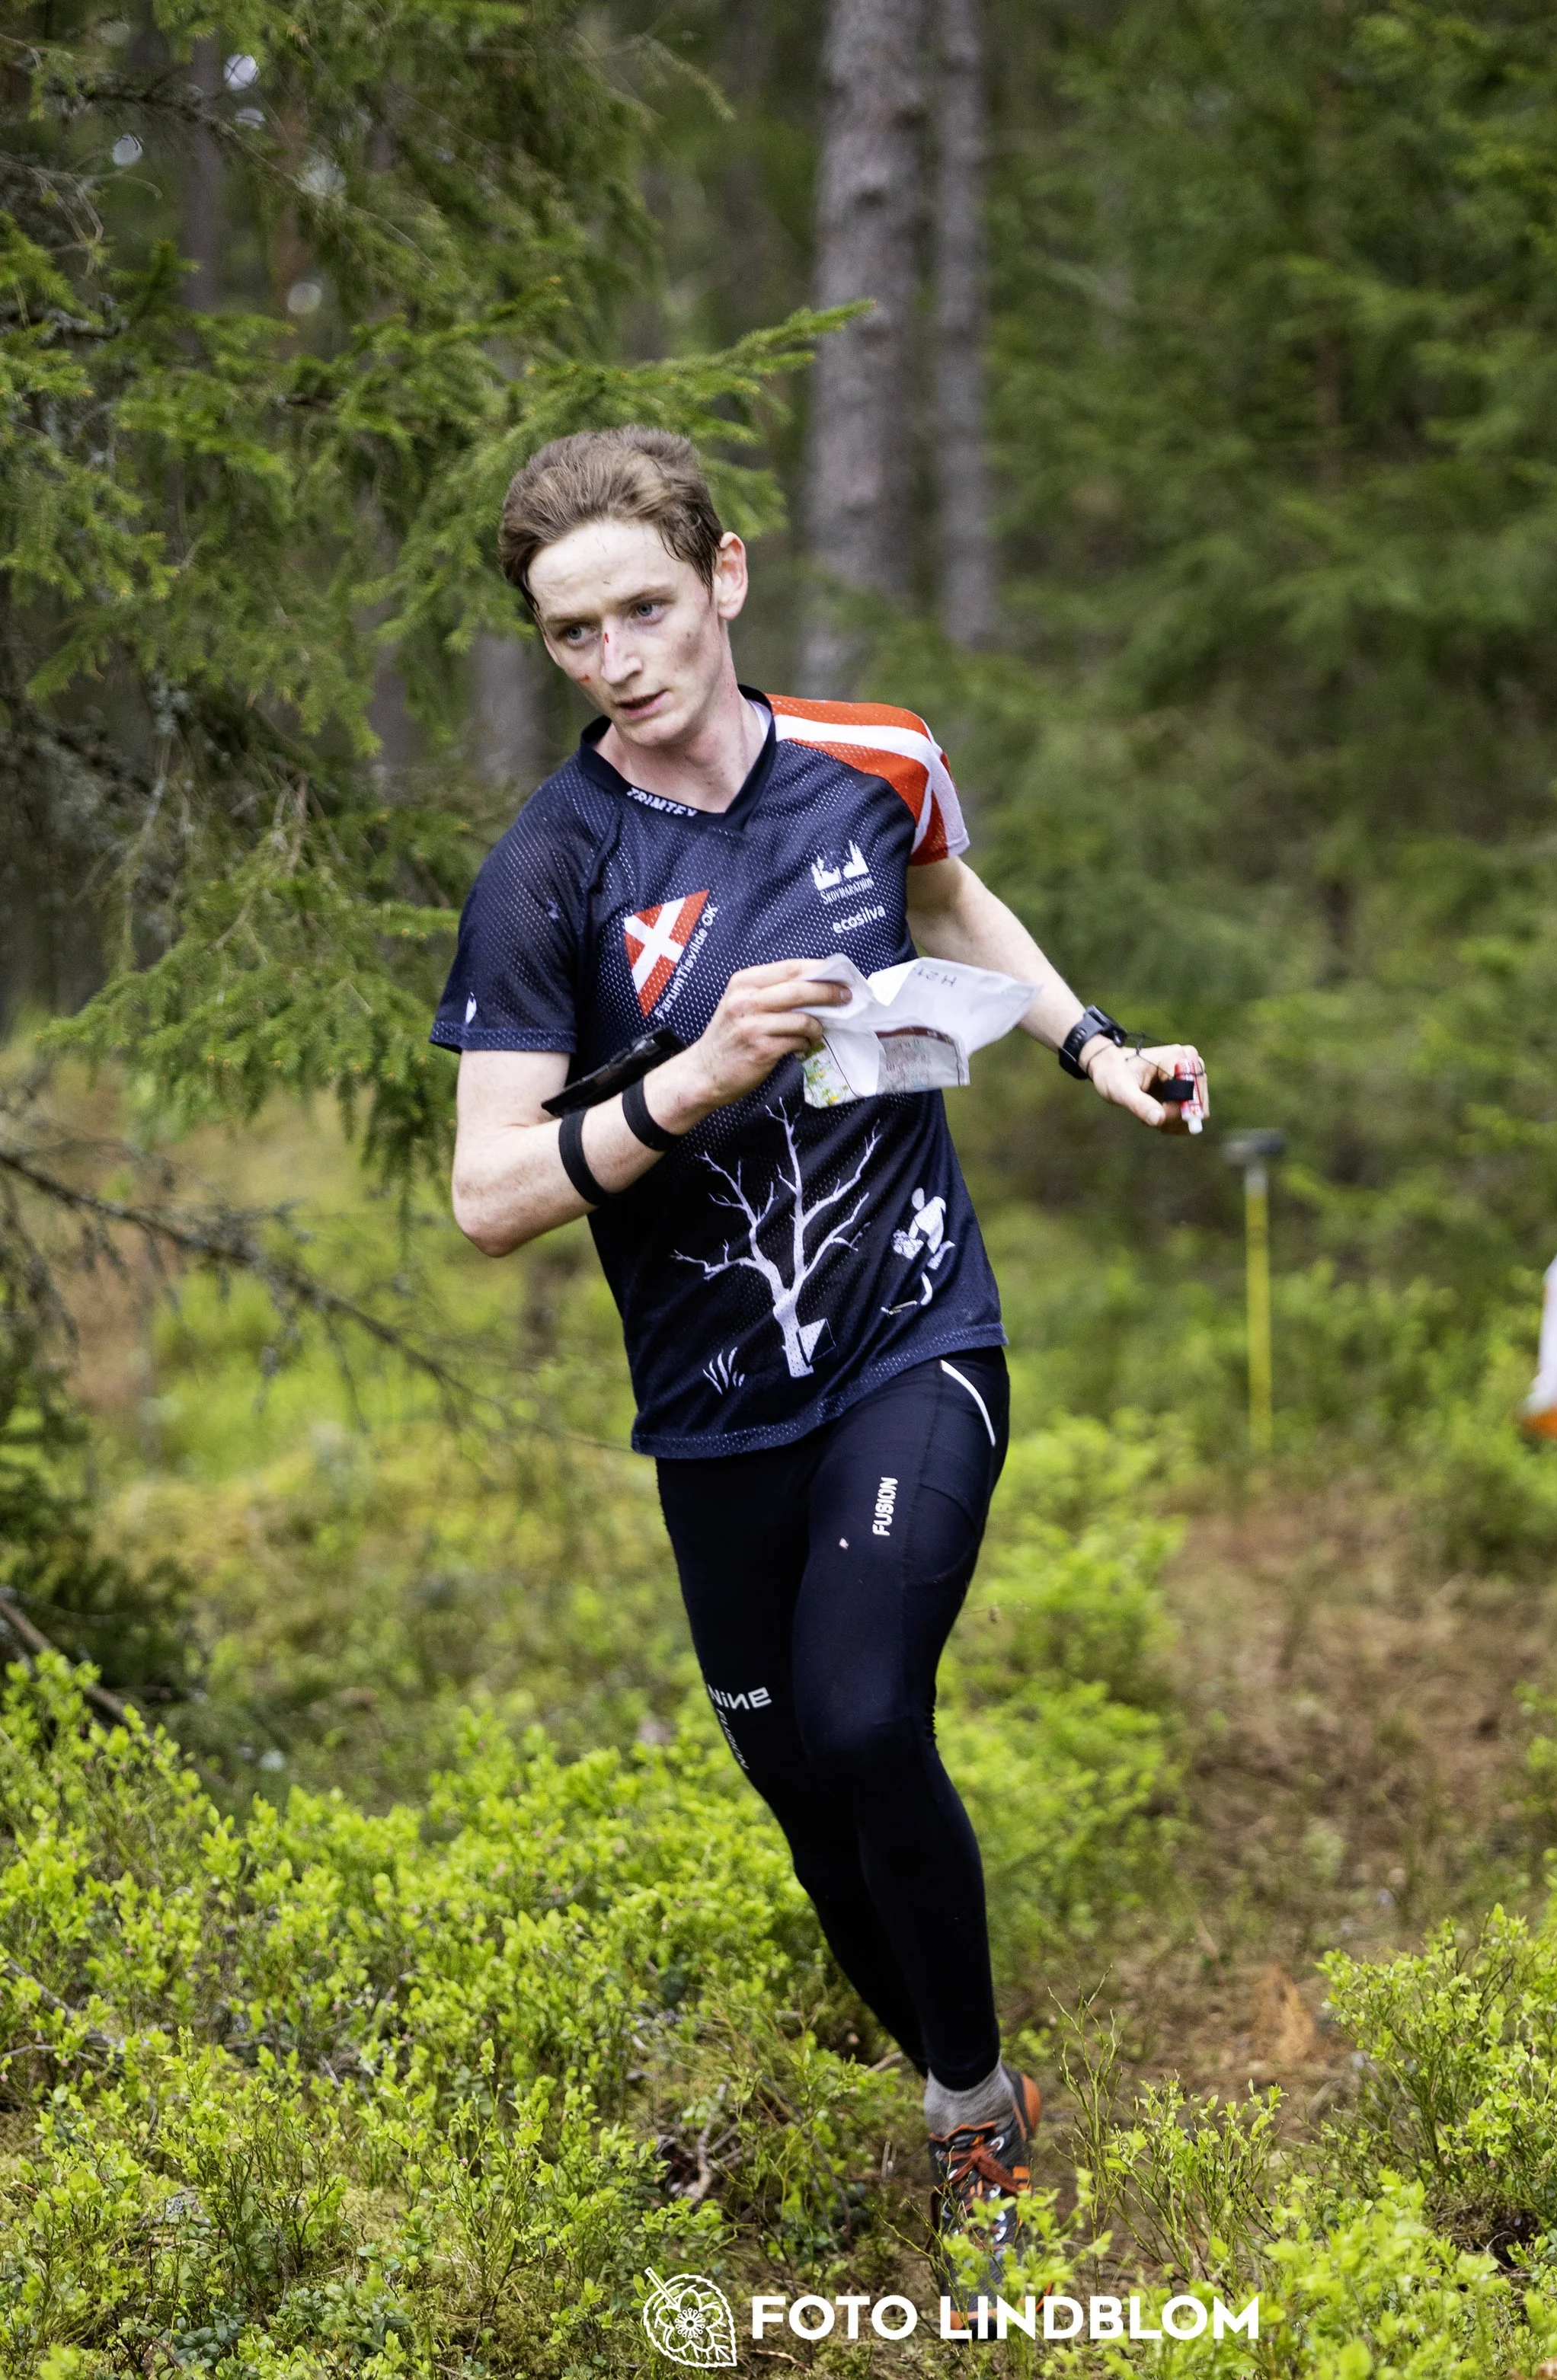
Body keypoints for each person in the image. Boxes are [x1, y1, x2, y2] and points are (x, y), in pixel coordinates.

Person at [433, 424, 1207, 2299]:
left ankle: (972, 2115)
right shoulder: (550, 869)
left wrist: (1094, 1045)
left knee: (865, 1716)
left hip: (911, 1323)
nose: (617, 657)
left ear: (725, 576)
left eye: (640, 606)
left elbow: (950, 905)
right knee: (806, 1803)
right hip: (710, 1400)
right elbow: (487, 1195)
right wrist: (688, 1084)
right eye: (569, 633)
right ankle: (951, 2057)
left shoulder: (877, 755)